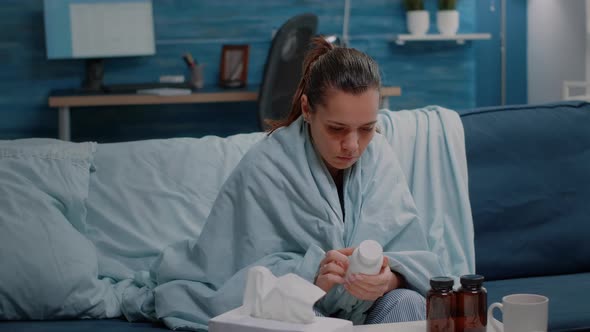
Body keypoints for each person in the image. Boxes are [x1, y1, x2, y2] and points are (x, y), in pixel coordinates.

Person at [149, 37, 443, 330]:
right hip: (300, 306)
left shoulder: (381, 156)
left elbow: (413, 257)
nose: (352, 146)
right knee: (299, 322)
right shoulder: (265, 165)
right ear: (307, 109)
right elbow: (233, 274)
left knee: (409, 305)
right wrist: (311, 276)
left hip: (368, 311)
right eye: (337, 128)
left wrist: (387, 279)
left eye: (366, 128)